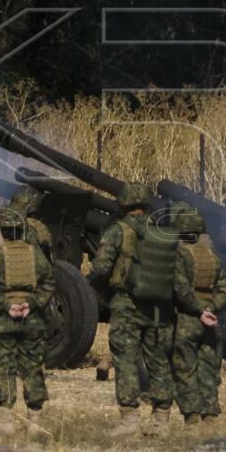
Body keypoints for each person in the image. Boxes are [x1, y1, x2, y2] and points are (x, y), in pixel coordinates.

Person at [86, 183, 175, 437]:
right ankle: (161, 422)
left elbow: (102, 267)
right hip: (158, 307)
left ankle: (129, 420)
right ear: (146, 204)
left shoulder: (118, 231)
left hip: (126, 305)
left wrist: (88, 284)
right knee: (158, 362)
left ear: (123, 204)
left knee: (125, 360)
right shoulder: (161, 232)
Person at [0, 207, 56, 437]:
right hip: (32, 321)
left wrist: (5, 305)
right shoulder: (36, 255)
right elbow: (49, 282)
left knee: (2, 367)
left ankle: (5, 421)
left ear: (2, 231)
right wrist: (32, 304)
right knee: (32, 368)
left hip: (1, 321)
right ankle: (34, 422)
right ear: (21, 230)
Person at [171, 204, 226, 424]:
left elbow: (181, 288)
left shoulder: (181, 254)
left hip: (188, 319)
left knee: (186, 368)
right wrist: (212, 308)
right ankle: (210, 413)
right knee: (209, 368)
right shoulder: (212, 256)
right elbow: (224, 290)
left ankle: (192, 415)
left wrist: (199, 310)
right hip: (211, 321)